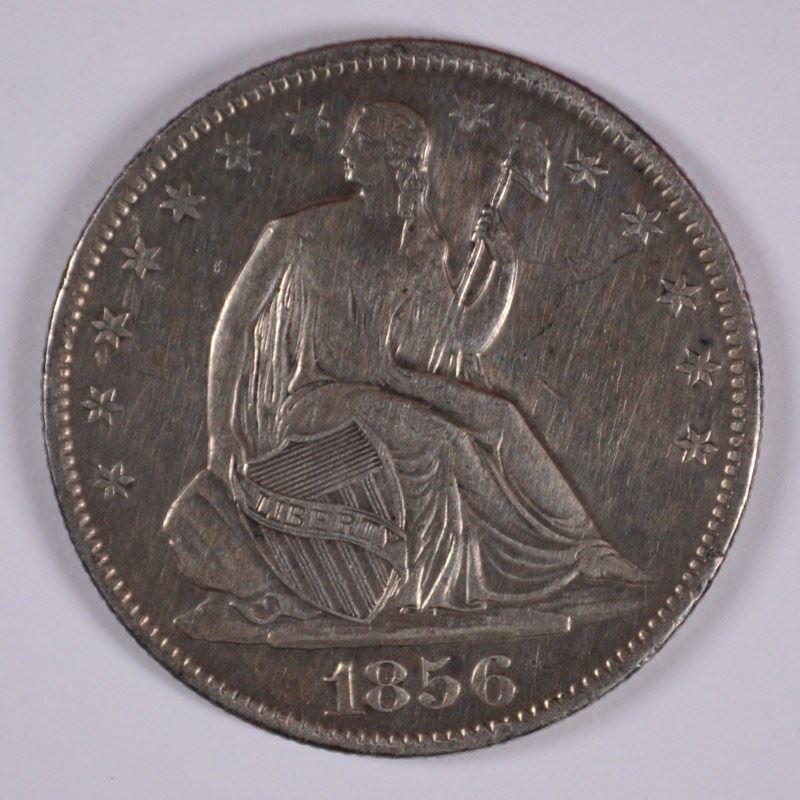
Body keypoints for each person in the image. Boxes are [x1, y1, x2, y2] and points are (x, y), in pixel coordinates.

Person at [165, 101, 648, 637]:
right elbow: (232, 326)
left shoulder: (419, 242)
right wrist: (221, 432)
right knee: (442, 440)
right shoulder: (297, 233)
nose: (345, 152)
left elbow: (464, 335)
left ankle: (585, 550)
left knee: (502, 418)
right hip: (317, 400)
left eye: (359, 143)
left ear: (389, 161)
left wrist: (503, 267)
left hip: (388, 381)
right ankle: (438, 591)